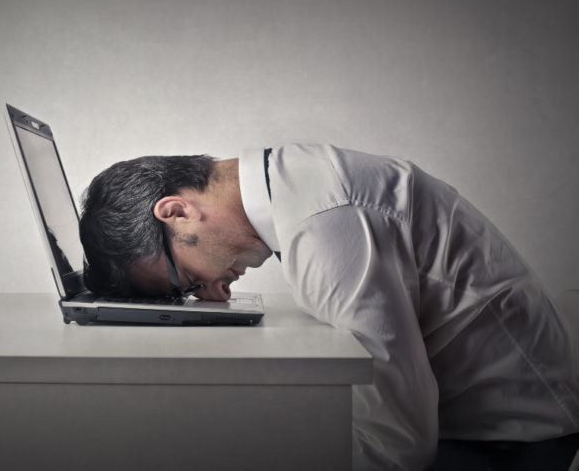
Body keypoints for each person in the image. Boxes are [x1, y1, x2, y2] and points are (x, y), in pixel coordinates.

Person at [78, 143, 579, 470]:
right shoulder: (295, 181)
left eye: (181, 278)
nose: (199, 286)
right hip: (494, 419)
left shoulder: (324, 227)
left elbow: (399, 444)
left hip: (508, 442)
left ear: (176, 211)